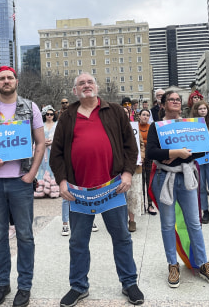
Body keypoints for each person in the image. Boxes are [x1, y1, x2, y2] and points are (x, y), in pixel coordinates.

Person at [50, 72, 144, 306]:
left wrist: (127, 173)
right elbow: (57, 154)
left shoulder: (114, 111)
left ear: (97, 86)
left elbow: (130, 147)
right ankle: (78, 286)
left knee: (122, 238)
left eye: (90, 82)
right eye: (81, 83)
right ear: (75, 91)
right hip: (79, 192)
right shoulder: (67, 116)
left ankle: (129, 282)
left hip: (112, 188)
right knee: (78, 242)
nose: (86, 85)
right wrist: (61, 181)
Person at [0, 66, 45, 307]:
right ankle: (2, 283)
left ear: (16, 81)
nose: (6, 81)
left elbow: (40, 143)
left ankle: (24, 286)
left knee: (25, 235)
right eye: (2, 78)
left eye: (10, 77)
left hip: (20, 180)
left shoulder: (30, 107)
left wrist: (32, 173)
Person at [146, 90, 209, 289]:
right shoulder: (157, 126)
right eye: (171, 99)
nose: (175, 102)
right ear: (163, 104)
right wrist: (174, 152)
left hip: (187, 176)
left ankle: (204, 263)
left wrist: (177, 155)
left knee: (194, 222)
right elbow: (151, 152)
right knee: (168, 224)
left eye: (178, 99)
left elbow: (203, 147)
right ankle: (173, 264)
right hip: (164, 178)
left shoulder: (191, 124)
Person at [34, 105, 59, 199]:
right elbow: (36, 137)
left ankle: (54, 190)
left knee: (53, 168)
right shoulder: (41, 125)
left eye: (51, 114)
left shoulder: (58, 124)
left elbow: (61, 138)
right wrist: (42, 142)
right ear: (44, 115)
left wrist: (53, 142)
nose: (49, 116)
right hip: (43, 151)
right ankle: (41, 190)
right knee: (42, 168)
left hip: (54, 151)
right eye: (47, 114)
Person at [138, 109, 157, 215]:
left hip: (149, 157)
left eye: (147, 115)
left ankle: (150, 204)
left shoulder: (151, 128)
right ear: (139, 116)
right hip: (139, 158)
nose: (145, 117)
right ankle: (141, 205)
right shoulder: (135, 127)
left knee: (149, 182)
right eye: (143, 115)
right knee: (140, 181)